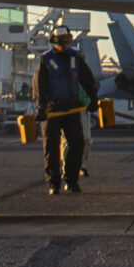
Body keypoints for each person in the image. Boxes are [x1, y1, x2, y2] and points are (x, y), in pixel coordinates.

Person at [33, 25, 97, 196]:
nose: (64, 44)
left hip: (71, 109)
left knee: (77, 145)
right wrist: (41, 108)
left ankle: (71, 180)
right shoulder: (45, 60)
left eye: (67, 40)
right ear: (55, 41)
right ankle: (54, 184)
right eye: (61, 41)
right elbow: (39, 86)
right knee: (51, 149)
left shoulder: (75, 58)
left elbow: (87, 79)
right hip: (52, 111)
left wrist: (93, 99)